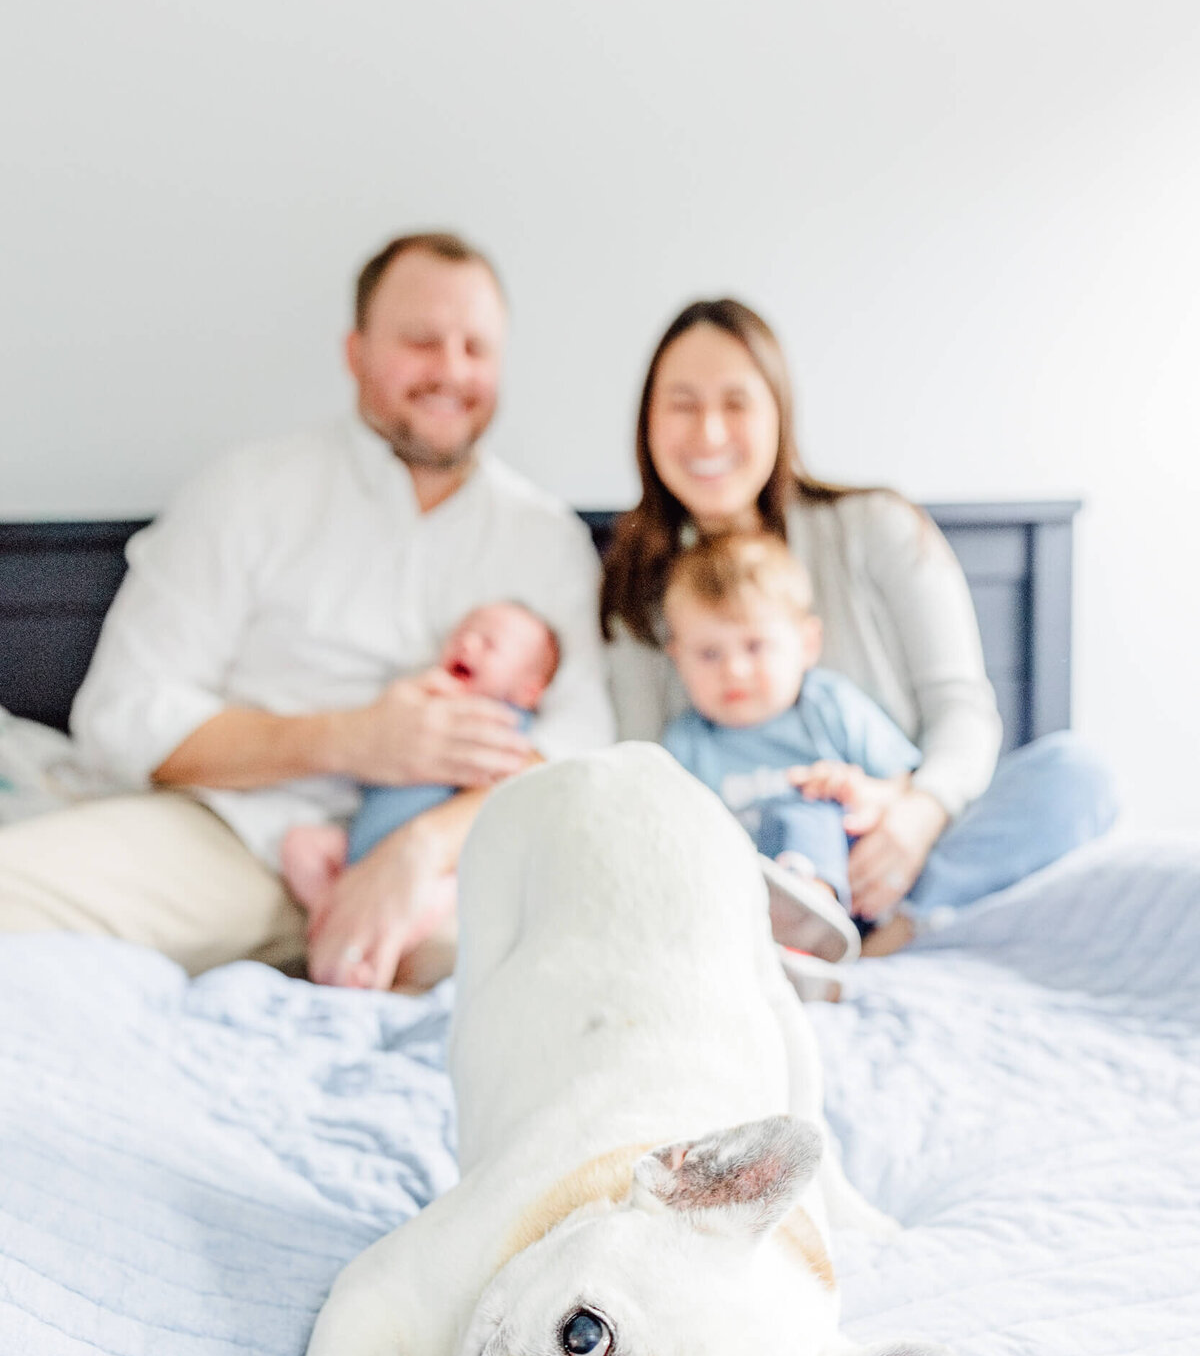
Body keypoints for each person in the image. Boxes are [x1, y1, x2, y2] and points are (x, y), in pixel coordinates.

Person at [0, 232, 614, 987]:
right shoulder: (248, 492)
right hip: (229, 839)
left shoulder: (546, 540)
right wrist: (353, 740)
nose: (451, 370)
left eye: (476, 348)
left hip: (450, 868)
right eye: (421, 341)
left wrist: (417, 849)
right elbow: (122, 714)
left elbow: (584, 746)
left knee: (583, 979)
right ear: (356, 351)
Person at [602, 298, 1117, 956]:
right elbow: (646, 781)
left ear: (778, 414)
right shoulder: (633, 588)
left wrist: (913, 817)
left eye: (736, 402)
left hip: (911, 843)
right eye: (681, 403)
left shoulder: (878, 527)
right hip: (754, 867)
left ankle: (901, 926)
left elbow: (962, 714)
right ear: (648, 422)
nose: (707, 432)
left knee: (1078, 774)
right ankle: (807, 932)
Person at [659, 531, 921, 974]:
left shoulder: (831, 706)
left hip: (854, 887)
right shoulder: (685, 744)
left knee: (804, 811)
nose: (734, 670)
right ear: (678, 658)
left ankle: (813, 922)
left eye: (755, 646)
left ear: (807, 644)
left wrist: (862, 792)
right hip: (739, 899)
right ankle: (789, 952)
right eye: (708, 654)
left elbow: (903, 786)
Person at [281, 600, 559, 968]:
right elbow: (366, 759)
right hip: (356, 848)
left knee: (439, 898)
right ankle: (328, 909)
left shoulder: (501, 726)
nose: (468, 645)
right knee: (299, 845)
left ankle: (372, 958)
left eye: (488, 644)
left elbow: (517, 781)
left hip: (428, 870)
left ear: (527, 691)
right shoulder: (413, 699)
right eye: (462, 635)